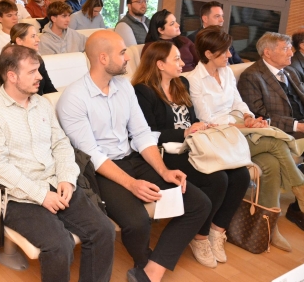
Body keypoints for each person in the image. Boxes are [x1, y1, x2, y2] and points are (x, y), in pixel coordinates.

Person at [57, 30, 210, 282]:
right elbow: (91, 155)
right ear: (103, 58)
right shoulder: (74, 98)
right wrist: (131, 184)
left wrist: (163, 171)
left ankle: (152, 269)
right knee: (137, 222)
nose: (128, 57)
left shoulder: (123, 87)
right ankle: (143, 263)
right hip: (100, 170)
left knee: (199, 203)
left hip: (132, 159)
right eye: (122, 52)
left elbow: (141, 133)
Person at [0, 43, 115, 282]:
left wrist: (67, 179)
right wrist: (41, 195)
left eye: (38, 70)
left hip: (56, 184)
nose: (40, 77)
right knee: (59, 245)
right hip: (20, 197)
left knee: (104, 230)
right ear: (11, 76)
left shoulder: (42, 103)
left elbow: (61, 144)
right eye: (32, 72)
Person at [132, 40, 250, 268]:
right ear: (159, 64)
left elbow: (192, 118)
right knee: (217, 178)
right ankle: (200, 237)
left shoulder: (181, 83)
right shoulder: (142, 91)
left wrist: (198, 127)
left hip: (194, 145)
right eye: (176, 58)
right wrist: (183, 132)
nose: (182, 61)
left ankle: (217, 230)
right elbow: (145, 134)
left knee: (241, 175)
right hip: (166, 152)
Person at [186, 26, 304, 251]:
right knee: (275, 141)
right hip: (219, 135)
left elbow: (238, 102)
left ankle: (270, 226)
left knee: (270, 163)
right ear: (209, 54)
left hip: (238, 127)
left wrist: (249, 116)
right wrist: (241, 123)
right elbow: (207, 119)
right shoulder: (195, 80)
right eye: (225, 52)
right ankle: (300, 188)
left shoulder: (227, 72)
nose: (230, 55)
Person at [238, 32, 304, 140]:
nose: (291, 53)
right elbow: (260, 115)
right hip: (283, 130)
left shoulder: (290, 71)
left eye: (290, 48)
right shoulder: (251, 77)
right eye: (285, 49)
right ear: (268, 53)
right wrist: (298, 126)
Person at [9, 23, 57, 95]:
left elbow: (49, 88)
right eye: (33, 36)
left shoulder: (38, 59)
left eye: (37, 35)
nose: (38, 40)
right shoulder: (9, 63)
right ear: (19, 41)